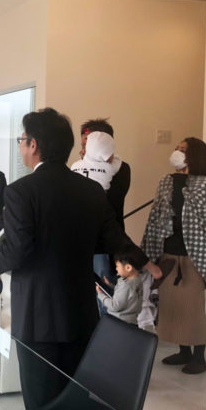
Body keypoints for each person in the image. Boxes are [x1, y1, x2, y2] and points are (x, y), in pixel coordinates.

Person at [0, 108, 157, 410]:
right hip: (81, 316)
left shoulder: (21, 191)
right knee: (75, 401)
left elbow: (17, 250)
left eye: (21, 140)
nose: (21, 146)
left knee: (40, 407)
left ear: (33, 145)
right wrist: (147, 263)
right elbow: (113, 240)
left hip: (37, 319)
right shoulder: (91, 190)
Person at [141, 137, 206, 375]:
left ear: (195, 157)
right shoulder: (166, 181)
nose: (177, 152)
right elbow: (156, 215)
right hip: (169, 252)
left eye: (182, 150)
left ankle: (199, 356)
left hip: (194, 254)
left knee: (193, 309)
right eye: (177, 148)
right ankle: (183, 351)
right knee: (172, 306)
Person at [79, 119, 131, 290]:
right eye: (83, 145)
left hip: (107, 242)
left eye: (88, 144)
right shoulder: (79, 167)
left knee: (105, 288)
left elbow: (110, 202)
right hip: (82, 240)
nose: (84, 149)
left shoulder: (122, 168)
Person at [96, 243, 145, 325]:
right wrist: (110, 285)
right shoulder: (138, 280)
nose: (116, 269)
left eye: (117, 266)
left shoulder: (126, 285)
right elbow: (126, 295)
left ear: (128, 267)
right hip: (132, 320)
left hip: (118, 322)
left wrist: (100, 294)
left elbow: (114, 306)